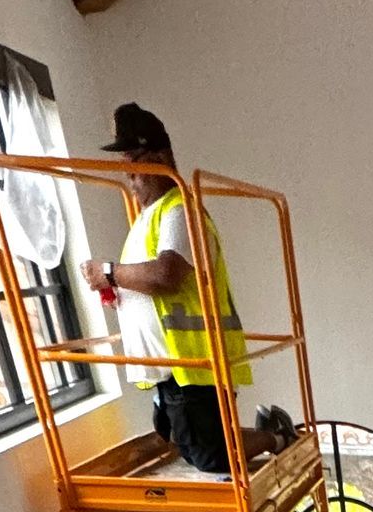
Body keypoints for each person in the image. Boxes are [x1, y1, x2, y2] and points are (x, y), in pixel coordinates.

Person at [81, 104, 295, 475]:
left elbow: (168, 275)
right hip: (171, 367)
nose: (128, 172)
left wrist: (110, 273)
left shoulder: (180, 209)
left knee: (210, 455)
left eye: (134, 159)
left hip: (196, 364)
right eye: (124, 162)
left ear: (161, 158)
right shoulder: (150, 217)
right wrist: (120, 293)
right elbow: (151, 284)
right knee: (182, 439)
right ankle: (266, 432)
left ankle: (276, 436)